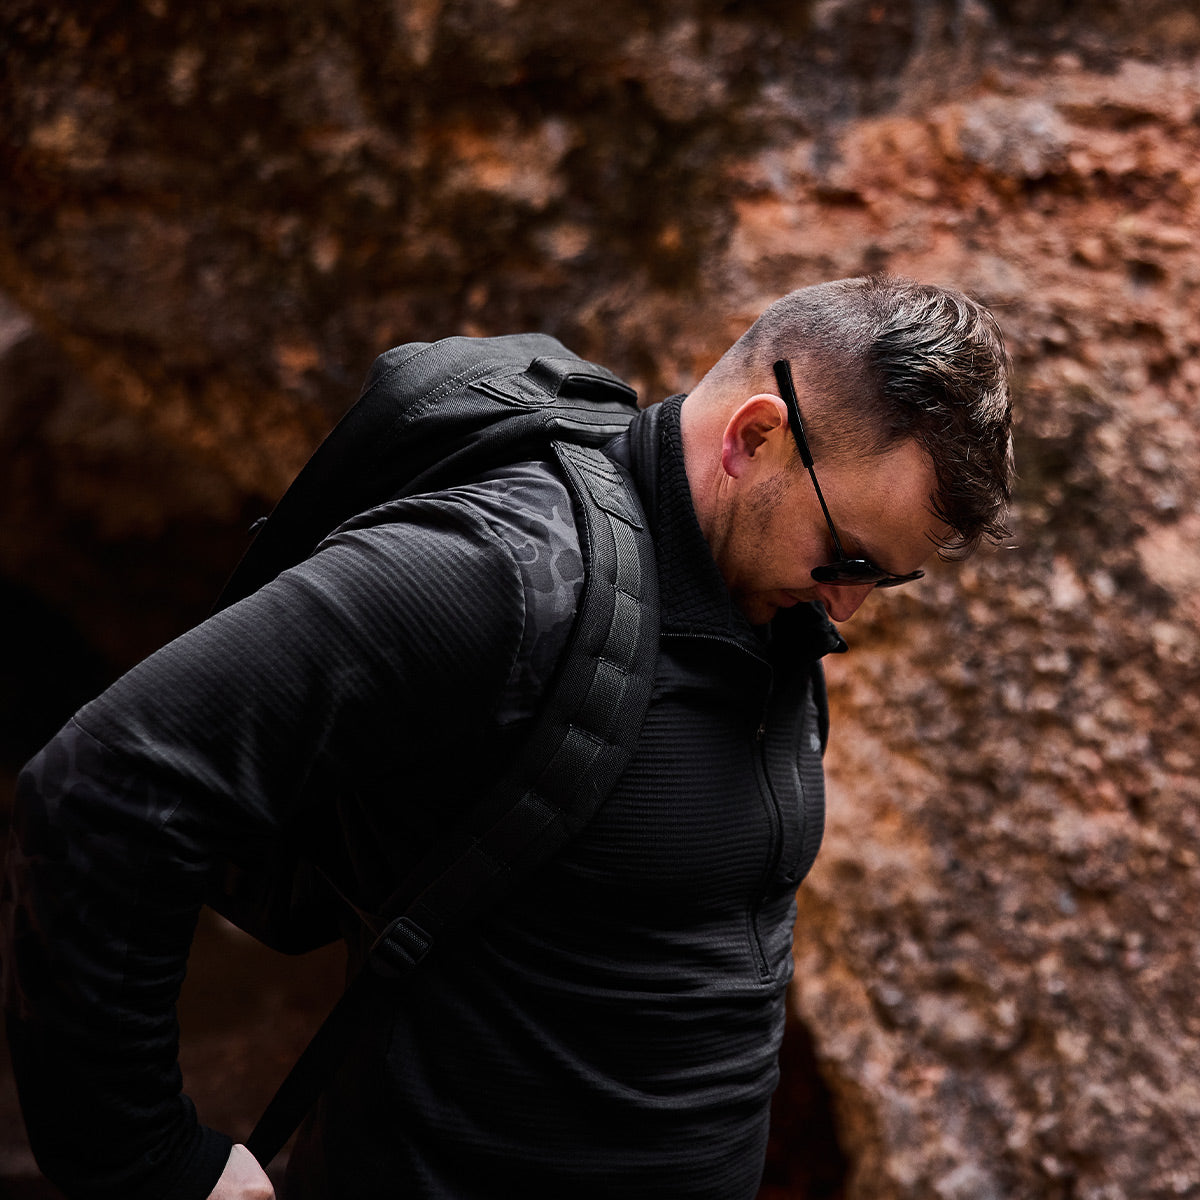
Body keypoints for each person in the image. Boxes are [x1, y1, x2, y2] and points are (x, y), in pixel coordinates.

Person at [1, 275, 1013, 1200]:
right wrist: (148, 1162)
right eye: (849, 558)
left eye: (888, 575)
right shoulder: (506, 573)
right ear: (754, 440)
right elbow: (105, 787)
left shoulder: (772, 611)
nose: (851, 606)